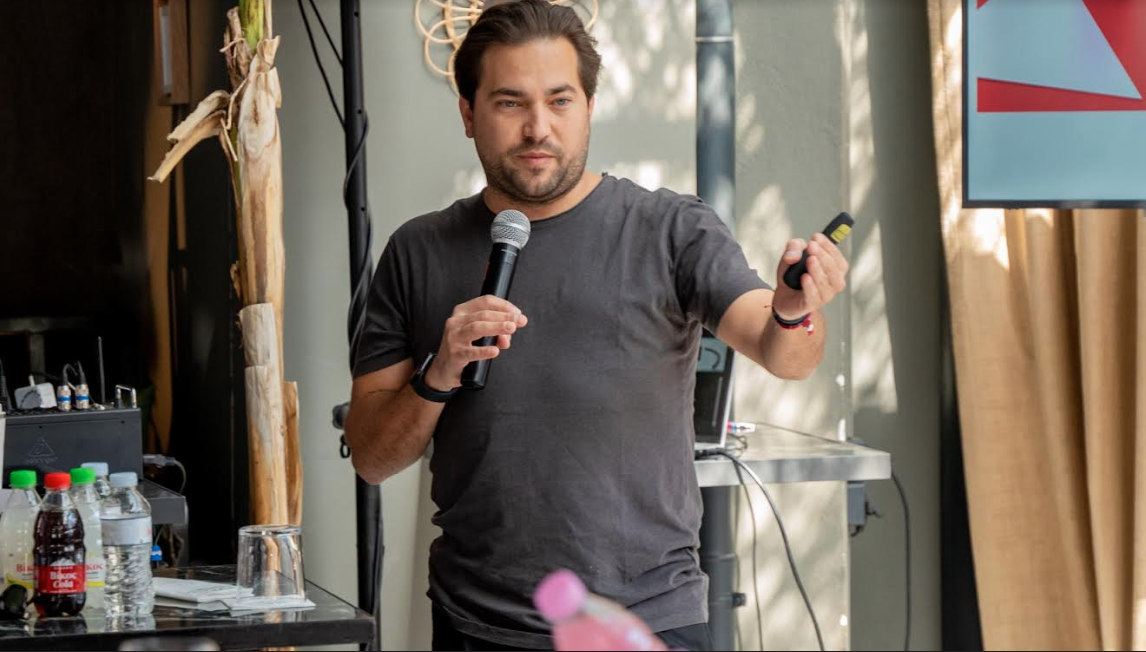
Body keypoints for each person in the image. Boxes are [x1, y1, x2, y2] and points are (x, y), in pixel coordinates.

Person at [344, 1, 850, 650]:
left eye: (560, 101)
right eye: (509, 103)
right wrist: (438, 374)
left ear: (588, 107)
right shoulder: (417, 251)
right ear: (468, 114)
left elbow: (784, 353)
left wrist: (794, 308)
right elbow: (371, 457)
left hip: (647, 623)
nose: (538, 127)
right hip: (477, 626)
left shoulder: (672, 229)